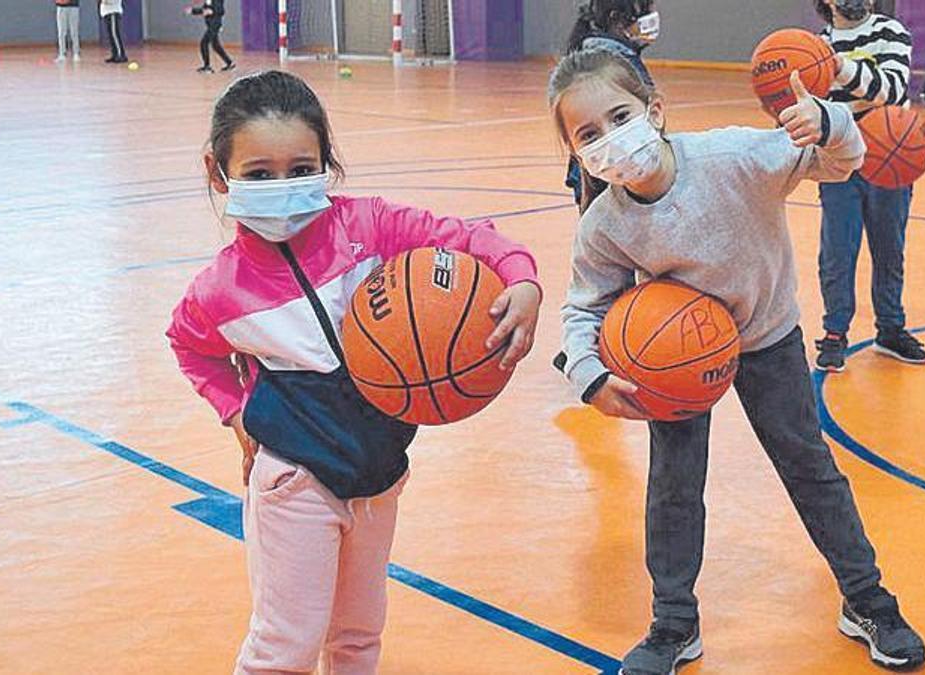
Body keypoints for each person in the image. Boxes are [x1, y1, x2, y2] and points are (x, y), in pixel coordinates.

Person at [550, 48, 925, 674]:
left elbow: (840, 164)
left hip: (766, 334)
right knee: (673, 486)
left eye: (620, 117)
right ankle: (673, 623)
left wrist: (827, 122)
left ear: (655, 110)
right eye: (589, 134)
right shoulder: (605, 225)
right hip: (673, 359)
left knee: (809, 467)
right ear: (574, 151)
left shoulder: (735, 158)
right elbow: (582, 309)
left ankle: (867, 599)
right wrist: (588, 377)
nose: (610, 140)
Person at [166, 70, 542, 674]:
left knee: (359, 636)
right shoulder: (221, 289)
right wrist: (235, 411)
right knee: (284, 646)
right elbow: (189, 346)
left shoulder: (369, 227)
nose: (282, 188)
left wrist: (521, 277)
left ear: (327, 164)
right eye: (259, 175)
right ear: (220, 174)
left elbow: (473, 239)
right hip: (295, 480)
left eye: (300, 169)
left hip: (379, 476)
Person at [810, 0, 925, 372]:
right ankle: (834, 332)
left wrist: (840, 68)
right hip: (839, 164)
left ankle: (891, 329)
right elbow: (820, 110)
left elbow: (891, 91)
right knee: (837, 252)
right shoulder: (813, 47)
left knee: (889, 250)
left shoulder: (891, 32)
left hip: (891, 161)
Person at [564, 0, 659, 214]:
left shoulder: (610, 53)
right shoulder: (606, 64)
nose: (652, 17)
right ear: (617, 18)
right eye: (646, 11)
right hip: (608, 175)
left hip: (601, 175)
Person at [189, 0, 235, 73]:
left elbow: (220, 10)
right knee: (216, 46)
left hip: (215, 25)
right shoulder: (208, 1)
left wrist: (212, 11)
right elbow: (205, 10)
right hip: (210, 25)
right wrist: (193, 11)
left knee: (204, 43)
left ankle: (207, 67)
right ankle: (229, 63)